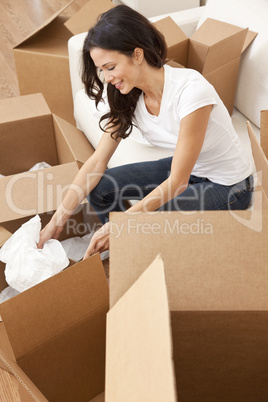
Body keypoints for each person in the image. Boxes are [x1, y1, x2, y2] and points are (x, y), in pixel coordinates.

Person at [37, 5, 254, 258]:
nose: (107, 78)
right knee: (102, 188)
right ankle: (129, 251)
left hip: (229, 185)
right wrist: (59, 219)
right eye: (101, 70)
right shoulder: (127, 94)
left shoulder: (192, 92)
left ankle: (135, 251)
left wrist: (124, 224)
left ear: (137, 54)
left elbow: (178, 182)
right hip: (190, 169)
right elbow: (98, 160)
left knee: (151, 221)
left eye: (110, 67)